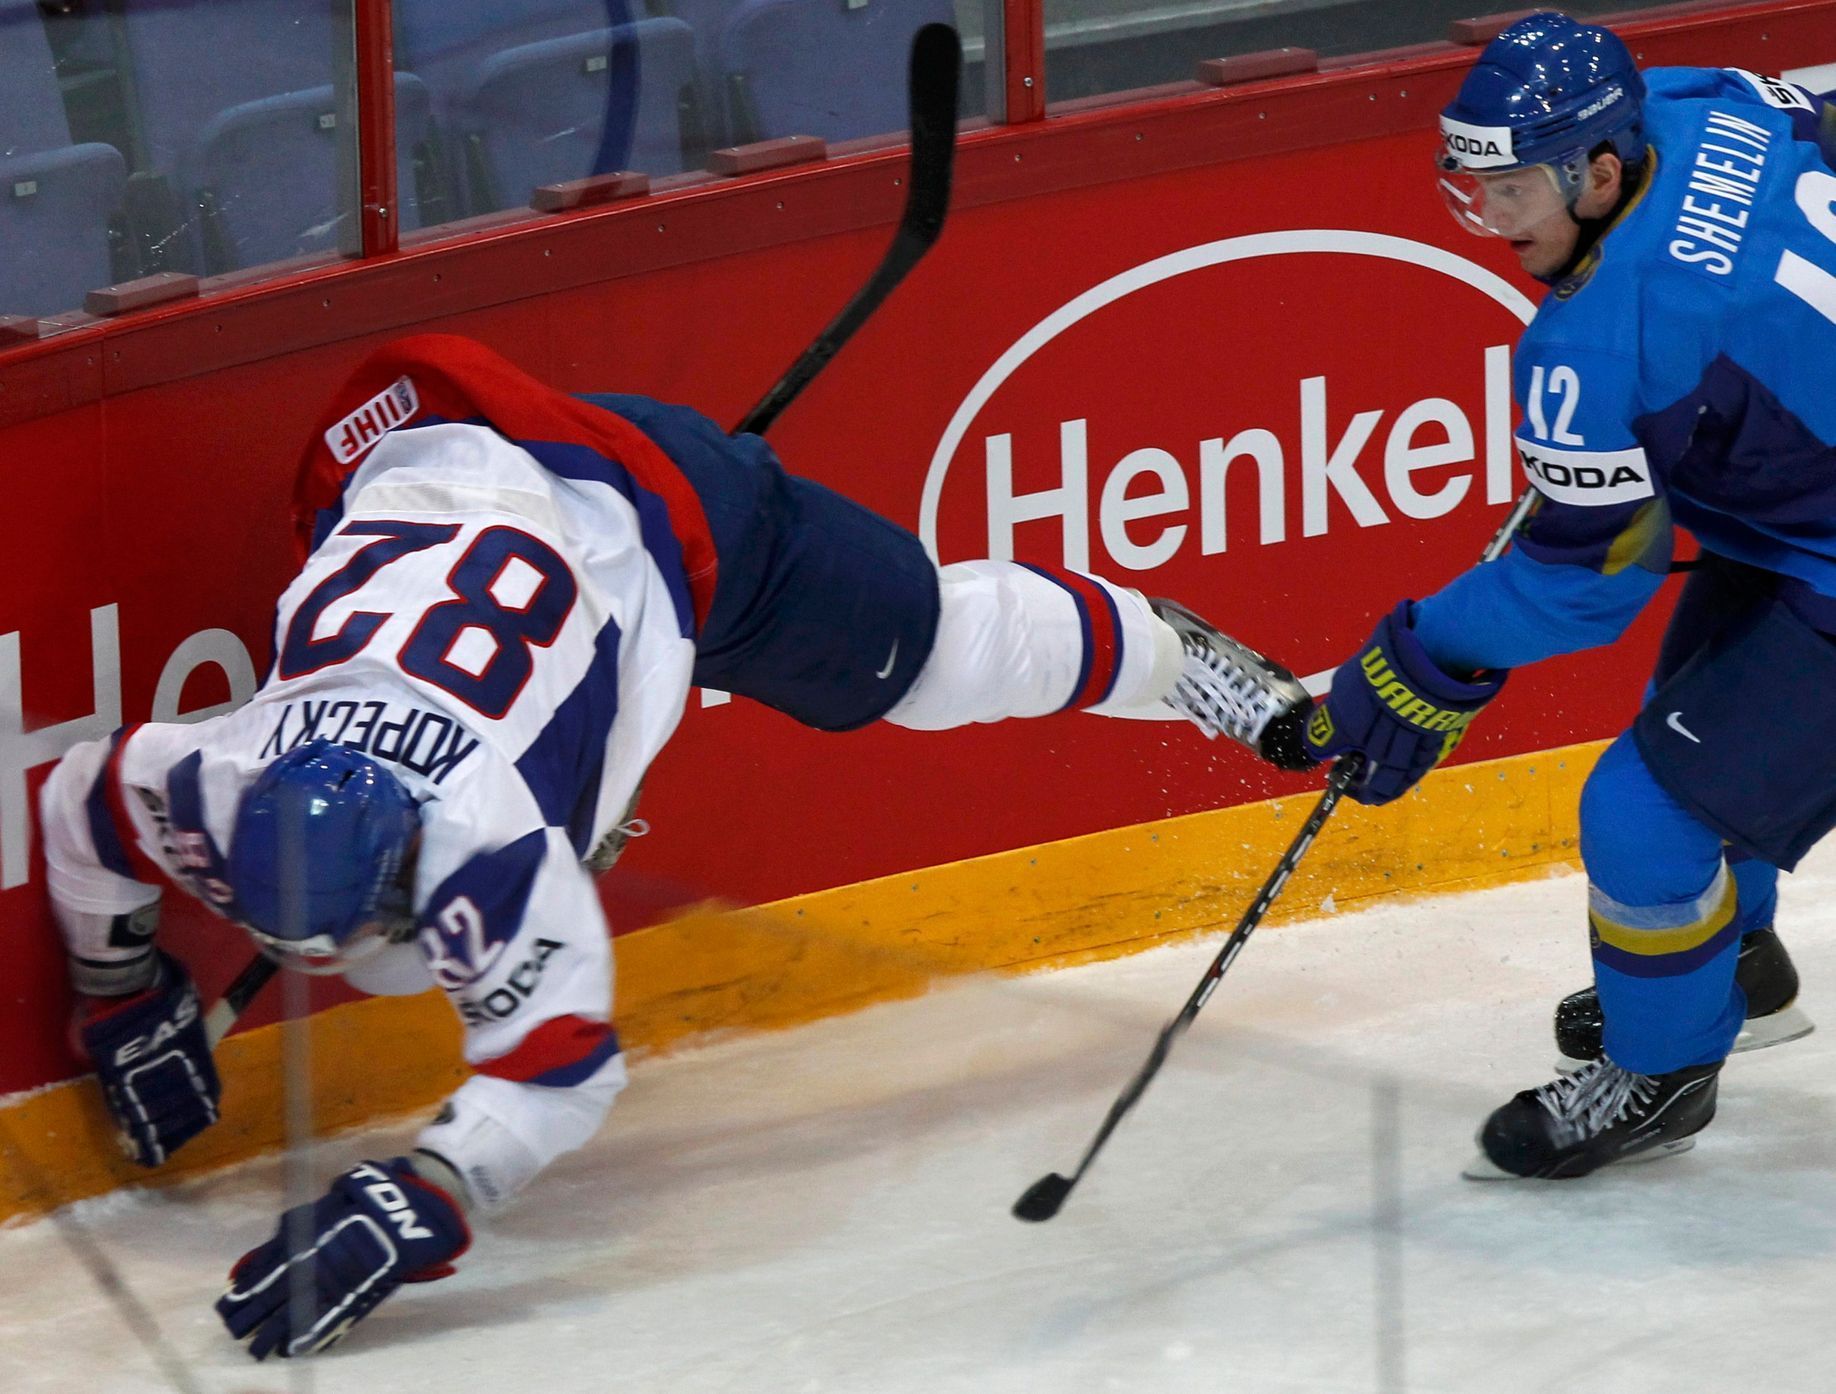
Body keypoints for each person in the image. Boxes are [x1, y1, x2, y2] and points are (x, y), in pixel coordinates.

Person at [37, 332, 1311, 1358]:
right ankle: (595, 776)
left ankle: (1177, 657)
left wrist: (419, 1197)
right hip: (411, 471)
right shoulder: (221, 778)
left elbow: (560, 1067)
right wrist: (118, 992)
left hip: (660, 510)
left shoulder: (486, 837)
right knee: (396, 964)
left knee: (927, 656)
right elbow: (81, 801)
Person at [1300, 11, 1834, 1179]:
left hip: (1817, 540)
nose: (1490, 220)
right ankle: (1729, 961)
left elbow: (1587, 586)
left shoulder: (1599, 344)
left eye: (1514, 194)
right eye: (1471, 189)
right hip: (1795, 521)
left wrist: (1424, 647)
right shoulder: (1701, 103)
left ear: (1599, 172)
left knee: (1644, 812)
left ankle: (1658, 1074)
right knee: (1699, 744)